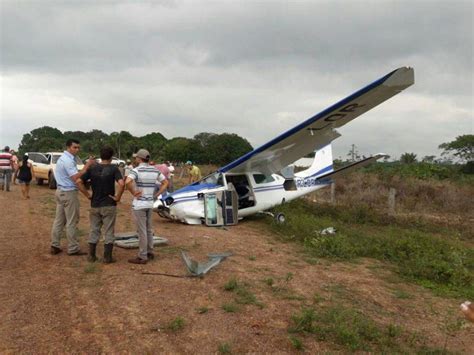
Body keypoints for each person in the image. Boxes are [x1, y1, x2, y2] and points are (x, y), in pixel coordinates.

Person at [77, 146, 125, 263]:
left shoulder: (93, 168)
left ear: (101, 155)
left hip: (95, 204)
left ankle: (91, 256)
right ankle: (107, 257)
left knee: (94, 229)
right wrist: (117, 197)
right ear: (111, 157)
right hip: (109, 203)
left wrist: (88, 195)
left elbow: (78, 181)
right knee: (109, 230)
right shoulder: (114, 169)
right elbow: (122, 183)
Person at [50, 139, 95, 256]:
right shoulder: (68, 160)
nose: (77, 149)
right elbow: (75, 177)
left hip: (60, 191)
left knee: (59, 221)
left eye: (78, 147)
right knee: (72, 221)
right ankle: (73, 248)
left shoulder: (63, 159)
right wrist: (87, 166)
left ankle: (55, 245)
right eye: (75, 147)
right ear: (68, 147)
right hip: (68, 192)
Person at [126, 149, 168, 264]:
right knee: (149, 229)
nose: (135, 159)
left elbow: (127, 181)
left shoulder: (136, 170)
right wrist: (157, 195)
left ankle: (142, 256)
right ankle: (150, 252)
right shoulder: (155, 170)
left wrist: (134, 192)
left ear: (139, 159)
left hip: (139, 204)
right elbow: (165, 183)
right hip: (150, 203)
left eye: (136, 157)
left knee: (142, 231)